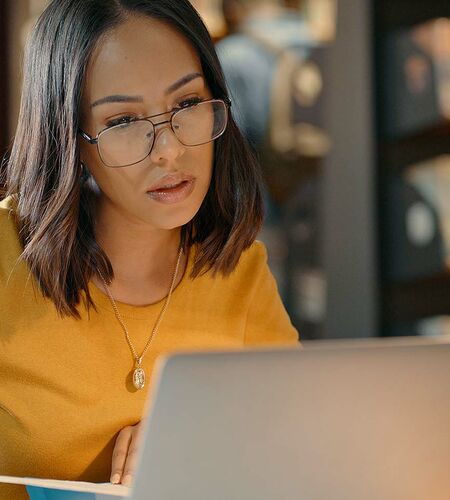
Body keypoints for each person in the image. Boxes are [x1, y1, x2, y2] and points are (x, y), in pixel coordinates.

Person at [0, 0, 299, 498]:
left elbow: (301, 447)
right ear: (68, 137)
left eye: (186, 105)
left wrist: (206, 438)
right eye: (121, 122)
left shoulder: (238, 267)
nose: (168, 150)